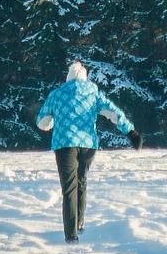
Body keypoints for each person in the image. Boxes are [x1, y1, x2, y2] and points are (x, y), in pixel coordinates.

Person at [35, 59, 142, 242]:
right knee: (82, 181)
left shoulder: (57, 94)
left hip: (65, 144)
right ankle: (79, 223)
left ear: (68, 78)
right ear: (85, 78)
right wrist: (131, 132)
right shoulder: (93, 93)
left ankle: (71, 235)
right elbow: (113, 112)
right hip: (87, 144)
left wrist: (54, 121)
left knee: (69, 188)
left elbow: (42, 121)